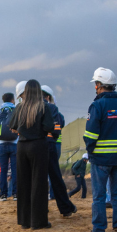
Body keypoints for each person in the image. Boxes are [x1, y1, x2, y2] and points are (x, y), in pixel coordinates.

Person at [81, 67, 117, 232]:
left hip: (100, 159)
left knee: (99, 196)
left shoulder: (97, 106)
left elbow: (90, 136)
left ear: (99, 85)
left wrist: (91, 151)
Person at [9, 80, 55, 230]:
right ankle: (38, 222)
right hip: (38, 146)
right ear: (39, 91)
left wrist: (22, 130)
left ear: (26, 91)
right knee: (39, 183)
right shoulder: (43, 107)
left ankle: (25, 221)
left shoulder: (19, 107)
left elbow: (12, 127)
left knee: (23, 183)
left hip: (22, 146)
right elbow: (49, 127)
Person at [41, 85, 77, 217]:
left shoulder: (30, 108)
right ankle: (66, 208)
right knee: (56, 178)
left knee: (38, 179)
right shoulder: (52, 108)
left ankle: (41, 209)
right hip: (49, 146)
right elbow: (57, 129)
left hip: (34, 147)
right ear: (48, 97)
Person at [42, 85, 64, 201]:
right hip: (53, 144)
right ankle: (53, 195)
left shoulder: (31, 107)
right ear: (48, 96)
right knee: (54, 172)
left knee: (41, 173)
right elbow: (59, 126)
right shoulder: (54, 110)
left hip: (37, 145)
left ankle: (42, 196)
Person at [0, 92, 18, 201]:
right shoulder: (17, 110)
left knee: (3, 170)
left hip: (1, 144)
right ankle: (15, 194)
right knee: (15, 169)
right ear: (13, 100)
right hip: (15, 143)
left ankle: (3, 195)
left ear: (3, 100)